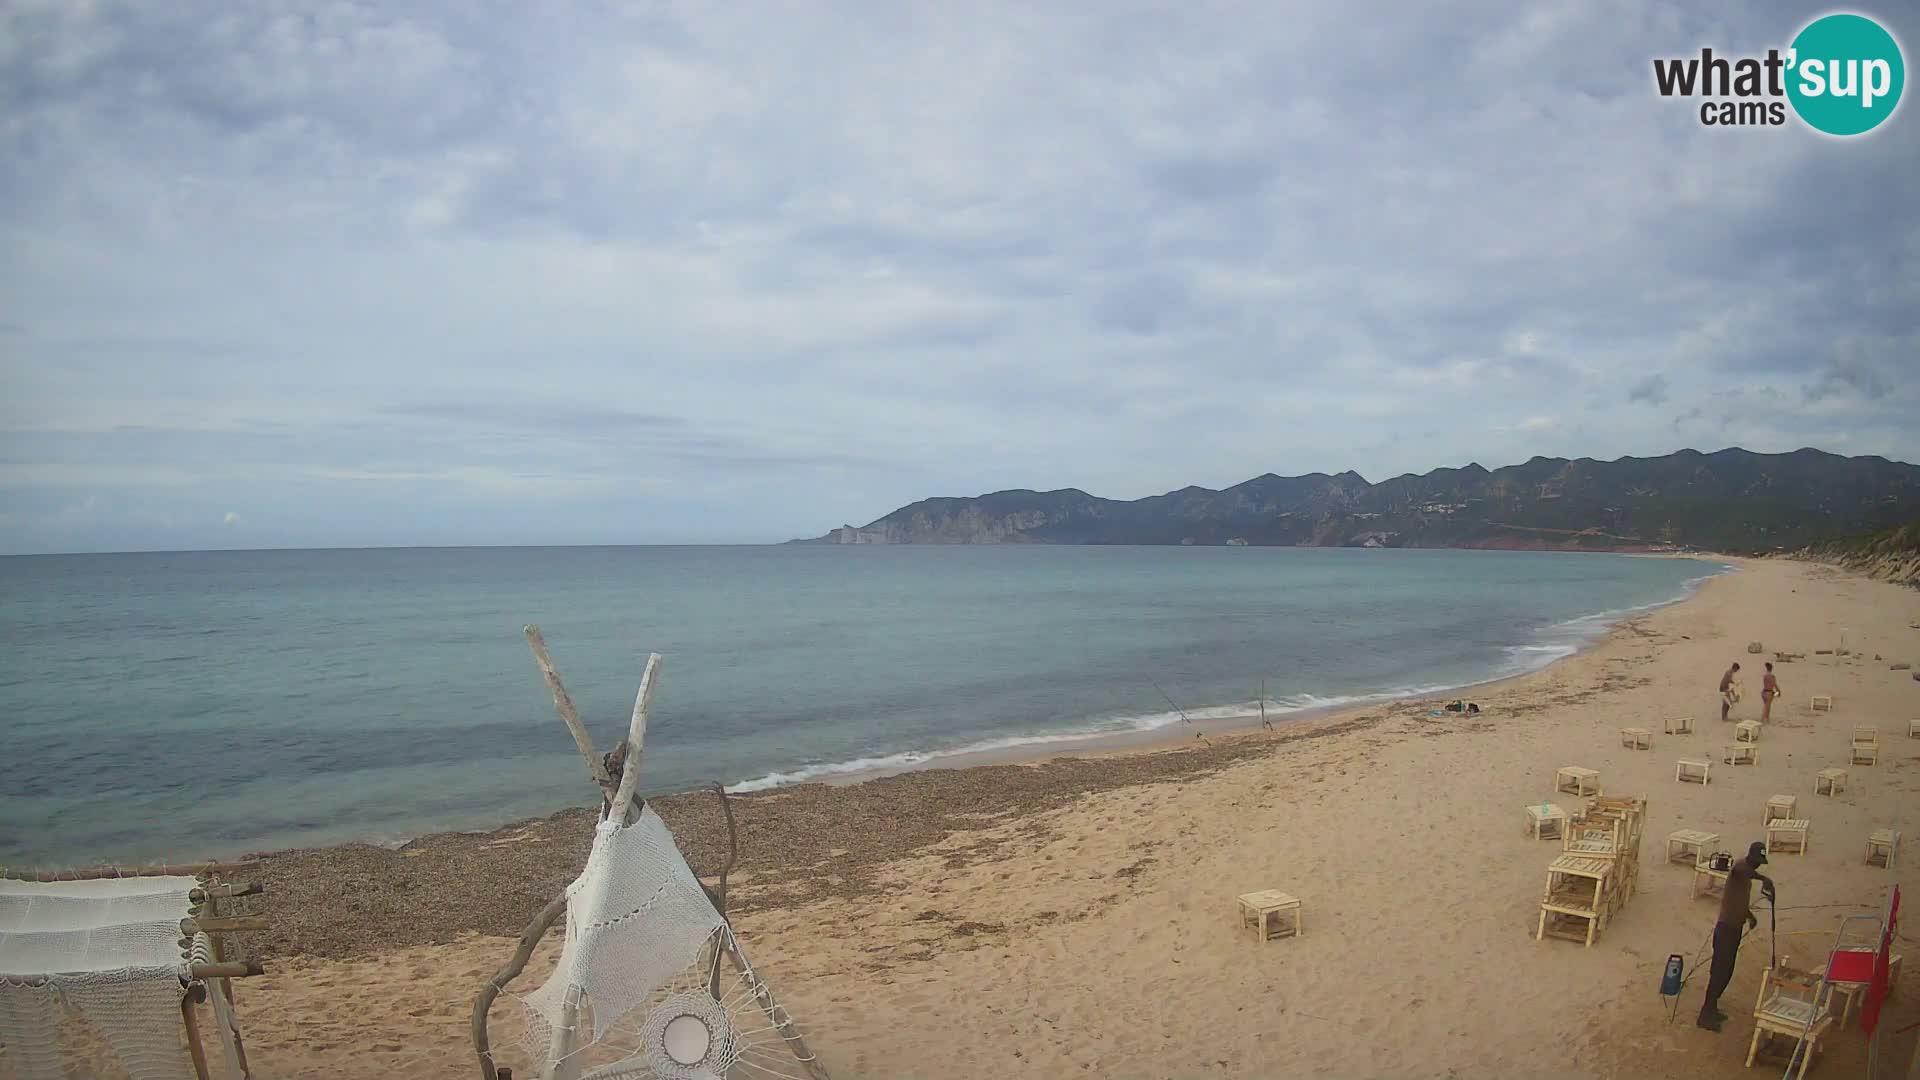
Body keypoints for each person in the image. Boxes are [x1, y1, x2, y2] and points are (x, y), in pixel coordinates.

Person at [1699, 841, 1776, 1031]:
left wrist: (1749, 916)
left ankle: (1712, 1007)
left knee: (1727, 971)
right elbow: (1743, 870)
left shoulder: (1746, 879)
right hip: (1725, 929)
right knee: (1719, 971)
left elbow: (1739, 901)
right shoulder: (1740, 868)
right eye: (1756, 861)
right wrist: (1763, 878)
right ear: (1751, 857)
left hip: (1735, 928)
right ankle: (1705, 1014)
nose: (1757, 865)